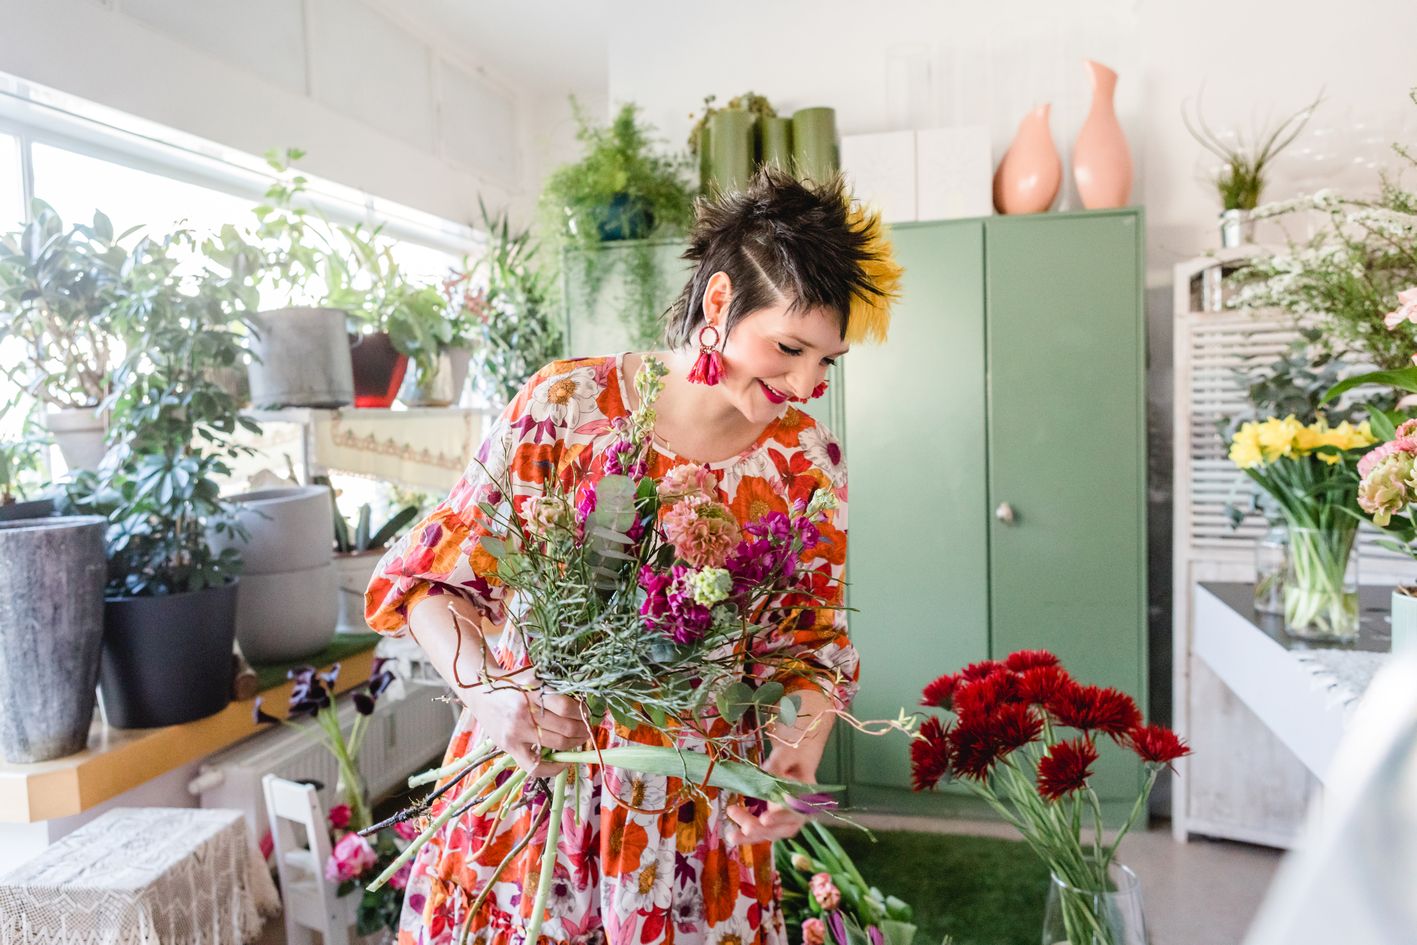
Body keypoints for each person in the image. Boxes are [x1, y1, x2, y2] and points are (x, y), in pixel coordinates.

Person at [365, 167, 903, 945]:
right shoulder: (566, 407)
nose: (808, 381)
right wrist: (487, 692)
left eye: (828, 360)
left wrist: (797, 750)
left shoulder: (804, 463)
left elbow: (810, 644)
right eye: (789, 347)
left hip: (689, 829)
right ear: (717, 302)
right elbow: (428, 582)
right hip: (526, 804)